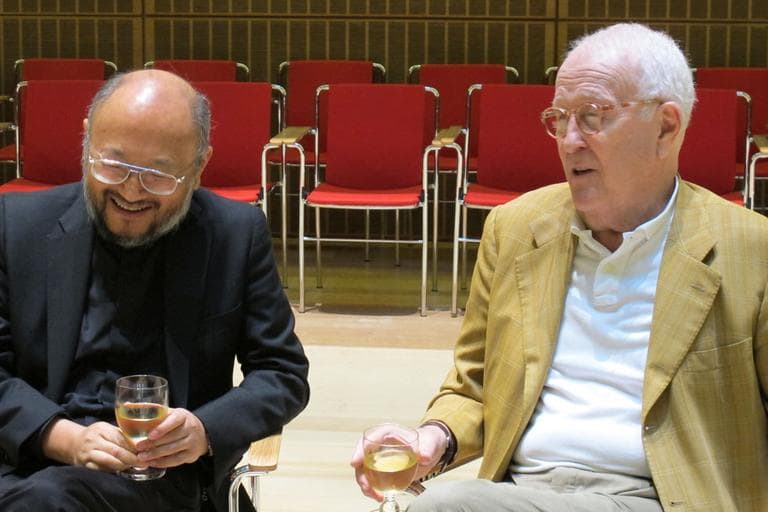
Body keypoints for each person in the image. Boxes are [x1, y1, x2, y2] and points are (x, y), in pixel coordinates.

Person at [352, 22, 768, 511]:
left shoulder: (750, 250)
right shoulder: (516, 228)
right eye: (559, 118)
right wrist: (432, 438)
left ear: (666, 126)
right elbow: (474, 386)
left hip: (660, 496)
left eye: (592, 117)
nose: (570, 140)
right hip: (520, 489)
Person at [0, 69, 310, 511]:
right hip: (30, 460)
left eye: (158, 175)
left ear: (199, 167)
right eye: (113, 164)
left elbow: (283, 374)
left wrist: (203, 430)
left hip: (162, 481)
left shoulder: (233, 236)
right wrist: (65, 439)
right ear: (86, 142)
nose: (130, 190)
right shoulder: (16, 225)